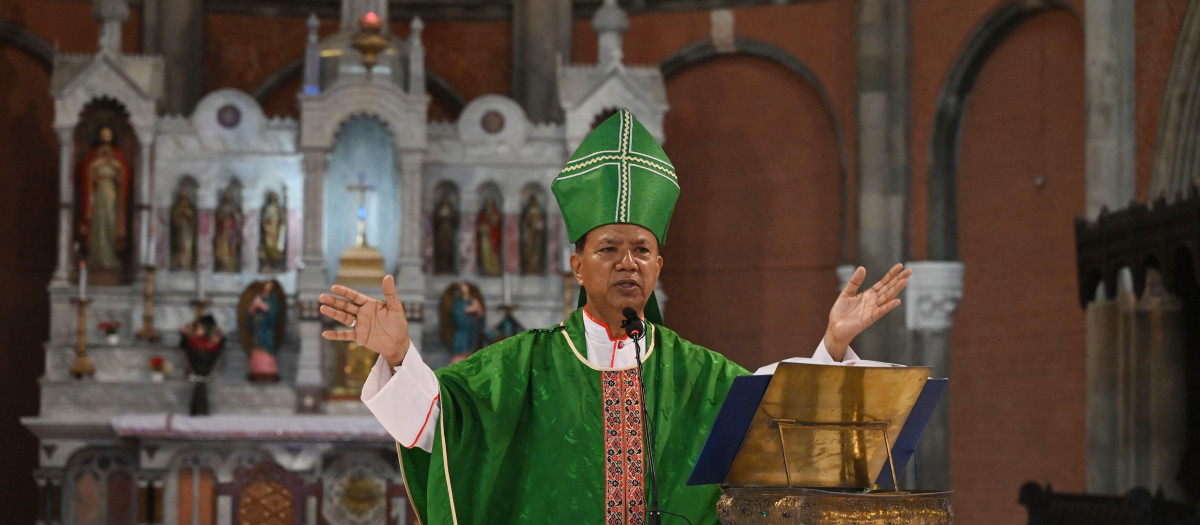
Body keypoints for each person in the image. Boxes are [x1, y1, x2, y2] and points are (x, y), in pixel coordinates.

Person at [319, 110, 910, 524]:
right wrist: (398, 355)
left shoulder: (699, 378)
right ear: (577, 264)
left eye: (642, 250)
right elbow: (440, 427)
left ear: (659, 265)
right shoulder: (521, 369)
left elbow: (781, 433)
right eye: (608, 250)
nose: (627, 263)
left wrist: (832, 344)